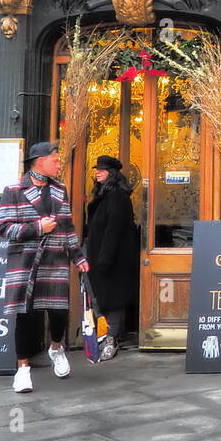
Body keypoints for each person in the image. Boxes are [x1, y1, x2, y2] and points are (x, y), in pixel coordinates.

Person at [0, 141, 88, 394]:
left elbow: (68, 227)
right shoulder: (14, 189)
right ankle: (23, 370)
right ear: (40, 161)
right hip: (25, 262)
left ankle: (56, 347)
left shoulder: (60, 189)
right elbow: (4, 227)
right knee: (25, 316)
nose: (59, 164)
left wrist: (78, 257)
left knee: (59, 313)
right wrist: (37, 228)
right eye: (56, 160)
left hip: (56, 259)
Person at [84, 154, 138, 361]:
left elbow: (113, 230)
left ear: (112, 174)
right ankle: (106, 335)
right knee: (102, 297)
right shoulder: (104, 196)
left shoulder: (117, 197)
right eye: (97, 168)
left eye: (103, 169)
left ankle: (112, 337)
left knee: (113, 298)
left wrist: (104, 258)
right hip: (100, 257)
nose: (98, 171)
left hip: (112, 260)